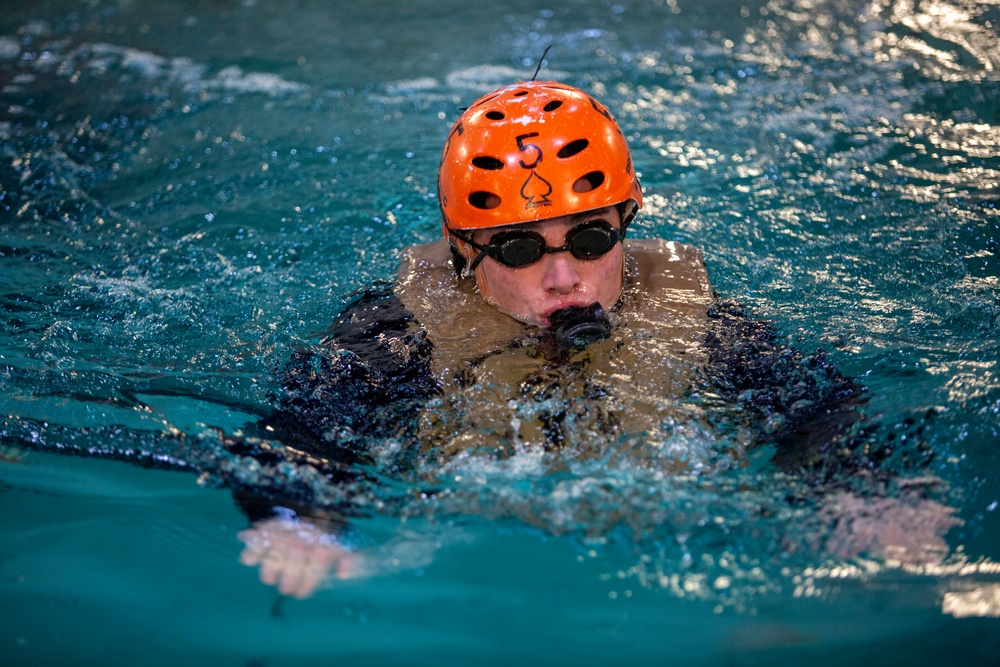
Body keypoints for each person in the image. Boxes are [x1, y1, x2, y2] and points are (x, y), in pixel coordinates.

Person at [235, 81, 956, 598]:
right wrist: (298, 519)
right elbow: (299, 432)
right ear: (463, 253)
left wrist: (870, 495)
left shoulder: (695, 318)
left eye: (588, 237)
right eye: (518, 249)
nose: (563, 277)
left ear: (625, 222)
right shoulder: (393, 335)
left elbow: (815, 409)